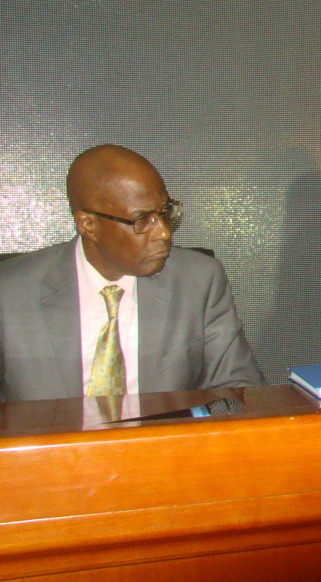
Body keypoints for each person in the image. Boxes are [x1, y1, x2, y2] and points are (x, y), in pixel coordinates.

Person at [0, 144, 264, 401]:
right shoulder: (9, 292)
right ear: (89, 225)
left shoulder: (198, 280)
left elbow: (239, 390)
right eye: (141, 220)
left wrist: (191, 428)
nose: (164, 233)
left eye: (165, 213)